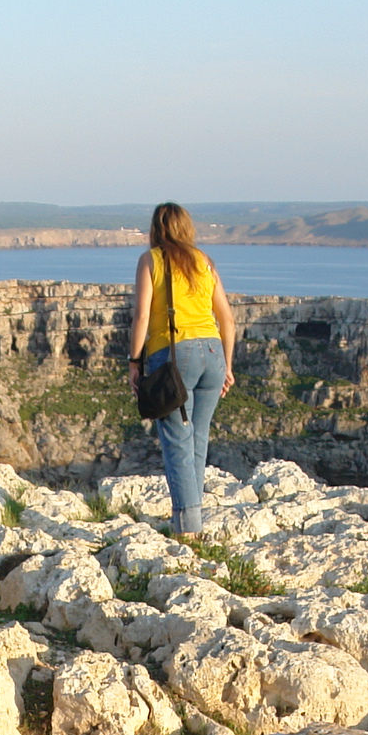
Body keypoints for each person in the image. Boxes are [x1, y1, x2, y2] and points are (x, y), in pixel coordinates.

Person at [128, 203, 237, 538]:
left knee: (177, 442)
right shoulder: (204, 261)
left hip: (174, 356)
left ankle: (188, 532)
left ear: (155, 229)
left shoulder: (151, 260)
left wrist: (134, 362)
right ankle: (194, 521)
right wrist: (228, 365)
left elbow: (142, 316)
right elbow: (227, 319)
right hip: (213, 354)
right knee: (197, 439)